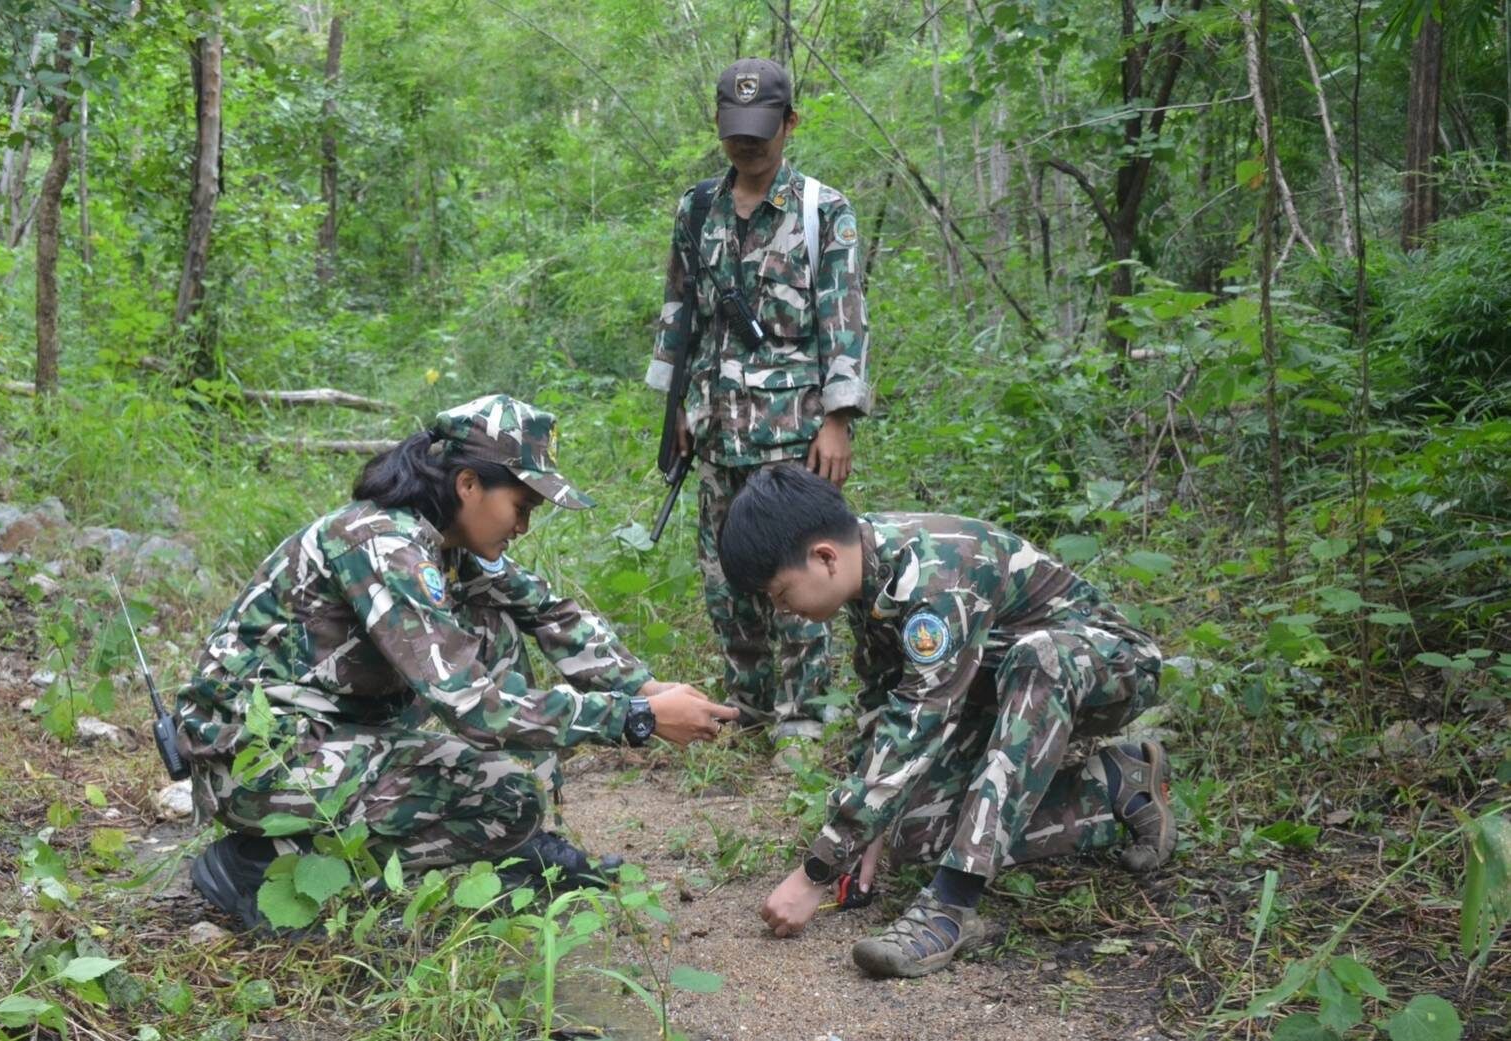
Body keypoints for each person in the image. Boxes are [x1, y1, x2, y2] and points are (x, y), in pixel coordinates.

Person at [178, 393, 738, 932]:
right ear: (468, 484)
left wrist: (649, 686)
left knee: (495, 626)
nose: (523, 527)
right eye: (521, 507)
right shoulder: (382, 545)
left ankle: (525, 848)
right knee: (503, 798)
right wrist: (634, 716)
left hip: (336, 731)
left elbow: (548, 612)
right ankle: (266, 863)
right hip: (258, 759)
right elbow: (476, 709)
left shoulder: (445, 545)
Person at [718, 465, 1175, 978]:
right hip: (994, 688)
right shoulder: (868, 577)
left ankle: (952, 905)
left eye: (782, 595)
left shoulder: (933, 574)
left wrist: (817, 870)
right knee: (914, 837)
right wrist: (864, 828)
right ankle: (1115, 785)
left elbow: (920, 721)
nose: (788, 612)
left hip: (1108, 670)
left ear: (824, 557)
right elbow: (883, 706)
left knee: (1040, 657)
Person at [645, 57, 872, 746]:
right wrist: (678, 409)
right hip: (715, 429)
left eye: (761, 130)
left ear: (790, 123)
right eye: (734, 131)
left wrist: (837, 419)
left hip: (794, 435)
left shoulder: (820, 210)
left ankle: (803, 725)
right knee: (726, 576)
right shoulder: (697, 208)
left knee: (798, 578)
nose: (747, 145)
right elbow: (681, 314)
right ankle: (749, 712)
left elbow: (845, 318)